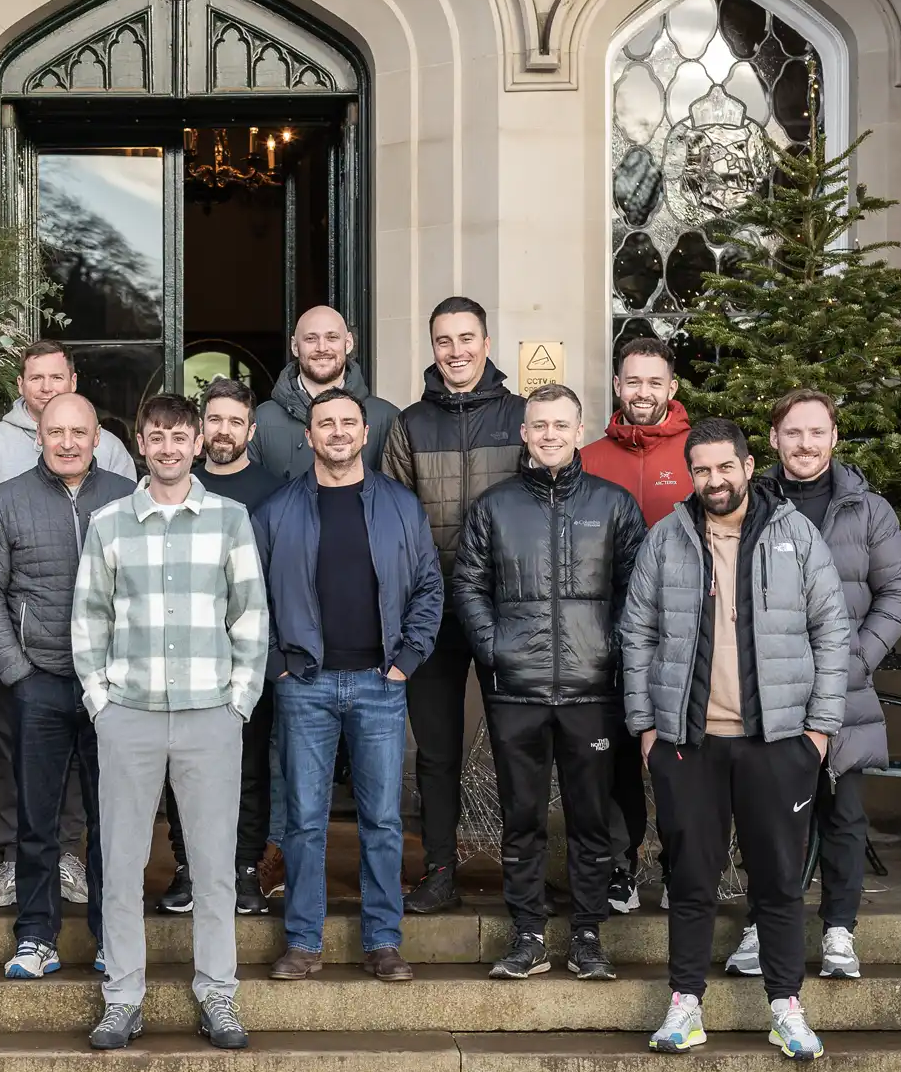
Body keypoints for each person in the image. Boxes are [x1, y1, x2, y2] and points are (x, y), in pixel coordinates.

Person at [621, 418, 850, 1061]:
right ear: (690, 473)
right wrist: (646, 729)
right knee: (690, 875)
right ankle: (685, 1004)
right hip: (687, 742)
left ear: (750, 466)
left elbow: (833, 632)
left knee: (777, 880)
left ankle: (785, 1007)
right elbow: (635, 632)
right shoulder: (667, 538)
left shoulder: (794, 534)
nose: (714, 481)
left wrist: (817, 733)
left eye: (725, 468)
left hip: (778, 743)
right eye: (702, 470)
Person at [73, 394, 268, 1051]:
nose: (168, 447)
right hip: (129, 716)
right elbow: (90, 620)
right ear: (140, 442)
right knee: (123, 864)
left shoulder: (229, 518)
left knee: (214, 866)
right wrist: (101, 704)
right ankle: (123, 998)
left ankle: (218, 995)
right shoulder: (108, 524)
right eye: (156, 436)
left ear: (195, 444)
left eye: (179, 437)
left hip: (209, 716)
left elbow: (250, 617)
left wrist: (237, 702)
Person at [721, 389, 901, 981]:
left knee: (842, 812)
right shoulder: (748, 506)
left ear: (834, 438)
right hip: (769, 686)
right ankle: (763, 925)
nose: (804, 445)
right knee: (768, 815)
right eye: (792, 433)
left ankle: (838, 931)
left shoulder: (868, 510)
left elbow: (899, 592)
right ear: (774, 439)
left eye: (816, 433)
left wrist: (859, 657)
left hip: (845, 687)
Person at [452, 384, 645, 981]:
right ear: (525, 432)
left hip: (592, 692)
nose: (551, 434)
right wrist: (495, 650)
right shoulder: (495, 506)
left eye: (562, 424)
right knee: (523, 819)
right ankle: (528, 933)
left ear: (578, 427)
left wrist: (611, 650)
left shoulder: (614, 505)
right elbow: (467, 584)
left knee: (591, 820)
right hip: (517, 692)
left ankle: (587, 934)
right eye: (540, 425)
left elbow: (639, 590)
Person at [254, 389, 442, 982]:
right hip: (304, 684)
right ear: (308, 436)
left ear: (366, 435)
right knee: (304, 819)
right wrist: (275, 665)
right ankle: (303, 942)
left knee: (382, 820)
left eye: (347, 423)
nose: (336, 432)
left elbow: (428, 588)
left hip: (379, 684)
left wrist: (406, 660)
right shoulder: (277, 511)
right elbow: (247, 600)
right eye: (324, 423)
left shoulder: (402, 507)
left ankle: (383, 941)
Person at [0, 393, 131, 977]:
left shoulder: (125, 499)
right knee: (36, 819)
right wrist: (17, 671)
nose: (66, 442)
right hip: (40, 683)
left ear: (96, 438)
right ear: (38, 435)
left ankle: (114, 939)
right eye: (55, 431)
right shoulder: (7, 501)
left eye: (78, 432)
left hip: (112, 688)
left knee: (111, 819)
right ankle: (36, 937)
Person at [382, 296, 525, 913]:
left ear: (486, 343)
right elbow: (392, 520)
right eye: (444, 341)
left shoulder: (521, 418)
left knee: (516, 746)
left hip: (508, 611)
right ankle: (439, 871)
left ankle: (522, 876)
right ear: (432, 347)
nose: (456, 351)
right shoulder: (410, 425)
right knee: (436, 754)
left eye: (467, 339)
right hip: (433, 613)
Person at [161, 376, 284, 914]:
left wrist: (271, 658)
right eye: (215, 420)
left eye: (236, 421)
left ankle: (243, 868)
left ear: (251, 430)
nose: (224, 431)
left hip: (248, 660)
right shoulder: (177, 488)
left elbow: (281, 581)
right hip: (182, 659)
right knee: (179, 769)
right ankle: (188, 867)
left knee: (248, 768)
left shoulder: (275, 493)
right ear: (197, 430)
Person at [580, 336, 693, 914]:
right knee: (616, 756)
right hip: (606, 636)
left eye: (654, 382)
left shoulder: (697, 455)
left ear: (671, 388)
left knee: (677, 757)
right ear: (619, 387)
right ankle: (621, 867)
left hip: (684, 639)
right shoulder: (591, 458)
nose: (642, 392)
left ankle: (679, 868)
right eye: (633, 381)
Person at [247, 305, 400, 481]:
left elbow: (396, 498)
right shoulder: (261, 420)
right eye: (311, 339)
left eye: (332, 337)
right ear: (295, 347)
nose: (322, 348)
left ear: (348, 343)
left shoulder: (388, 418)